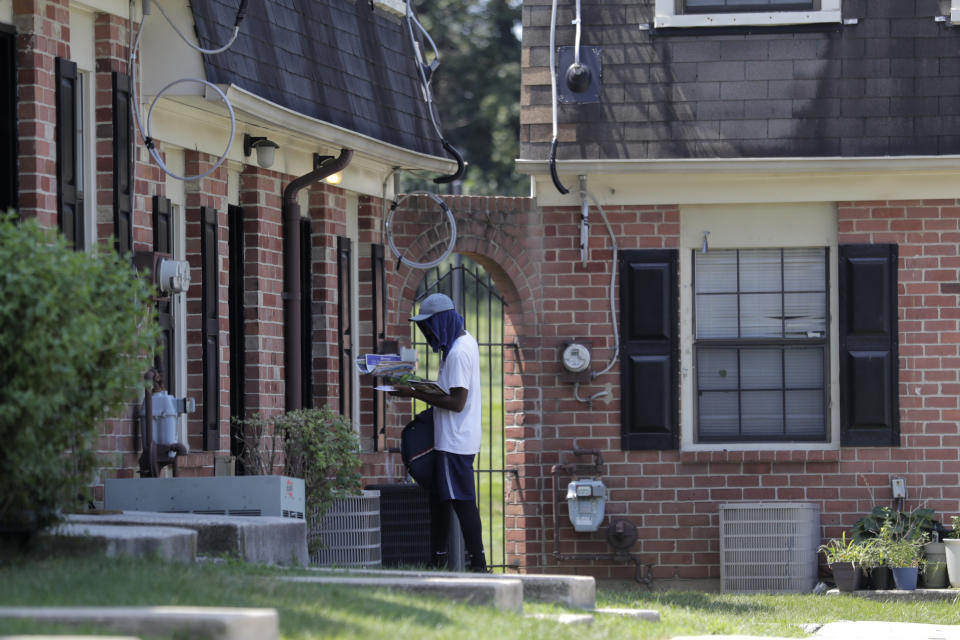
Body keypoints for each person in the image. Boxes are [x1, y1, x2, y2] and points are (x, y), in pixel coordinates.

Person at [390, 292, 487, 572]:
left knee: (462, 503)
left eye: (429, 325)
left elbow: (456, 402)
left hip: (453, 440)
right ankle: (436, 559)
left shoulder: (457, 353)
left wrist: (413, 393)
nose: (427, 332)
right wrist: (419, 386)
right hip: (457, 438)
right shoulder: (464, 341)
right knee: (441, 501)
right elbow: (448, 391)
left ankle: (479, 567)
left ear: (442, 321)